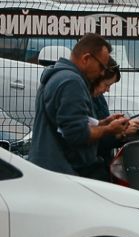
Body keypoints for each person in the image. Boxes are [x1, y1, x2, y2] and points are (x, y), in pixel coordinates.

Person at [29, 34, 132, 177]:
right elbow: (77, 134)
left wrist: (102, 123)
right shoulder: (71, 82)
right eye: (102, 66)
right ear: (86, 59)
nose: (103, 72)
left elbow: (65, 124)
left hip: (50, 168)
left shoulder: (59, 76)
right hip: (61, 172)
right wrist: (109, 129)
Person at [92, 66, 139, 180]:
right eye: (106, 85)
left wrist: (116, 123)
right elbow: (91, 137)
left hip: (102, 161)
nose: (107, 90)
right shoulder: (85, 98)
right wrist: (121, 132)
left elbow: (99, 124)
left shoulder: (98, 97)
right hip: (94, 166)